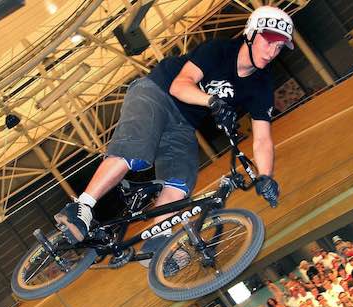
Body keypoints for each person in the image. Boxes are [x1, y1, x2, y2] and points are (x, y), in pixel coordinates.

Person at [53, 6, 288, 248]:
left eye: (279, 47)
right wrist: (212, 101)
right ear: (251, 33)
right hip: (156, 92)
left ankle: (158, 241)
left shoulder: (261, 84)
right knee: (136, 152)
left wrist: (265, 176)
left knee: (181, 180)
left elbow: (262, 138)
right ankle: (82, 207)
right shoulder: (219, 50)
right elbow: (179, 86)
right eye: (268, 42)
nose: (272, 52)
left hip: (183, 123)